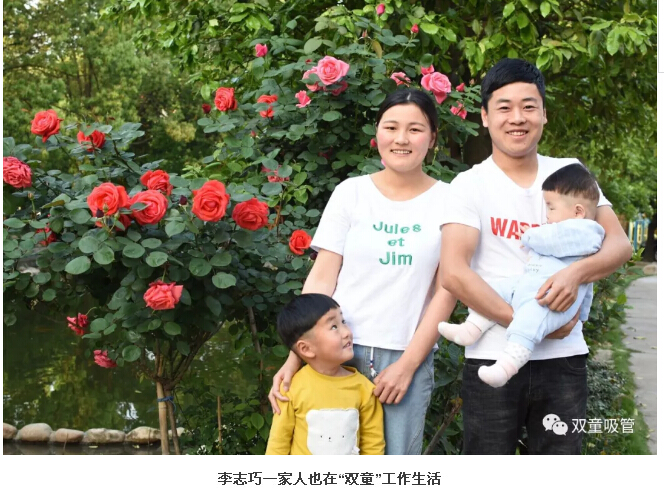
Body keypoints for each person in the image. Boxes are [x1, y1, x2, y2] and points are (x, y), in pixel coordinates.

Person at [440, 58, 633, 454]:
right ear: (485, 117)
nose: (518, 117)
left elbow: (619, 245)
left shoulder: (570, 172)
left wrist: (575, 274)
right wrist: (531, 324)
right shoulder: (468, 185)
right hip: (491, 355)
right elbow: (454, 272)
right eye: (504, 107)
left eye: (529, 106)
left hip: (564, 359)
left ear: (544, 114)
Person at [268, 89, 457, 455]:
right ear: (377, 132)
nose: (401, 139)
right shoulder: (350, 193)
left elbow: (446, 291)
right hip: (333, 352)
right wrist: (296, 357)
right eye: (391, 127)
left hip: (405, 355)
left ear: (433, 138)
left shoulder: (451, 200)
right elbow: (321, 279)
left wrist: (408, 365)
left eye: (415, 129)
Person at [439, 163, 605, 387]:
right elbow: (589, 286)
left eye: (551, 208)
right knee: (494, 290)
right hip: (530, 284)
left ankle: (507, 365)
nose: (547, 216)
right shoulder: (470, 181)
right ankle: (472, 328)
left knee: (529, 319)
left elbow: (551, 241)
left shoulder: (585, 232)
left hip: (549, 300)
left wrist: (529, 235)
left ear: (578, 212)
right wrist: (583, 313)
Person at [265, 293, 384, 455]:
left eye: (343, 322)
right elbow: (278, 445)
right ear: (306, 349)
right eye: (334, 327)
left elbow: (373, 445)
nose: (347, 332)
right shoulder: (290, 388)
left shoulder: (365, 389)